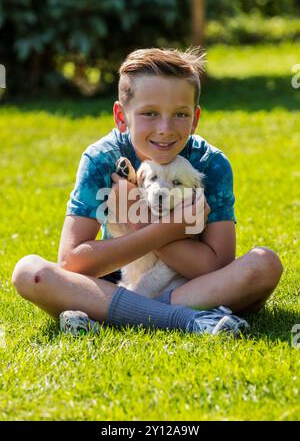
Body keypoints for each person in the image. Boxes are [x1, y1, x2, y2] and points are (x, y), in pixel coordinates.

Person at [11, 47, 283, 337]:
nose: (165, 129)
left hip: (184, 283)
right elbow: (73, 263)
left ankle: (111, 317)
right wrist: (166, 229)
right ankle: (190, 320)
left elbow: (216, 266)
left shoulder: (209, 164)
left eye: (180, 114)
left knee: (264, 265)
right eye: (150, 113)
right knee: (30, 273)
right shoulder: (102, 159)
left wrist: (140, 221)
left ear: (195, 118)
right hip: (110, 282)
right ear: (121, 116)